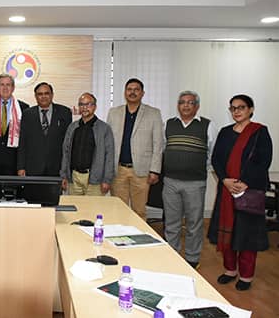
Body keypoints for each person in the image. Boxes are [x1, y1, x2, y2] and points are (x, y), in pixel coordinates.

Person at [208, 94, 272, 291]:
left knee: (246, 235)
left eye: (241, 107)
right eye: (233, 108)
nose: (236, 111)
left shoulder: (260, 132)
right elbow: (216, 159)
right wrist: (225, 180)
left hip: (249, 191)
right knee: (228, 231)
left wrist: (245, 183)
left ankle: (246, 275)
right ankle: (230, 270)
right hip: (227, 189)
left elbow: (264, 161)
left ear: (251, 109)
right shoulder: (226, 132)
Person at [162, 91, 216, 269]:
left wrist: (198, 168)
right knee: (171, 222)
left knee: (194, 223)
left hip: (195, 183)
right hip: (170, 181)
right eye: (182, 102)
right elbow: (163, 149)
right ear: (178, 105)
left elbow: (212, 153)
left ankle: (192, 258)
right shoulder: (169, 124)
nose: (185, 105)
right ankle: (172, 254)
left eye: (190, 102)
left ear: (197, 106)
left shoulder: (207, 125)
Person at [107, 78, 163, 219]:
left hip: (142, 171)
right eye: (129, 89)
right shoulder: (114, 113)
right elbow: (108, 143)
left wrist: (155, 170)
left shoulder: (153, 113)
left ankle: (139, 239)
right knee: (118, 210)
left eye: (136, 89)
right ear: (125, 93)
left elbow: (158, 143)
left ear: (142, 93)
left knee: (139, 211)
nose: (132, 92)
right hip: (118, 171)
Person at [60, 92, 115, 195]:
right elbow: (66, 153)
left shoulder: (104, 129)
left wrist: (107, 180)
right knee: (75, 209)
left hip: (94, 179)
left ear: (94, 107)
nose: (84, 108)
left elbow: (109, 156)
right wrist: (64, 176)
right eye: (81, 104)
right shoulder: (72, 127)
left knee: (93, 210)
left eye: (88, 104)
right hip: (74, 178)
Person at [17, 82, 72, 177]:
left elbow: (68, 143)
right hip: (33, 168)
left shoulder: (65, 112)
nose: (43, 97)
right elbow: (22, 142)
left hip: (57, 168)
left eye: (46, 93)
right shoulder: (27, 114)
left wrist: (66, 168)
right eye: (40, 94)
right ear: (35, 96)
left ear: (52, 95)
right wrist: (21, 167)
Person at [0, 74, 29, 175]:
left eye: (8, 84)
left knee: (13, 190)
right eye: (2, 84)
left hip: (14, 161)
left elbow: (26, 139)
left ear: (13, 87)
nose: (5, 88)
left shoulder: (24, 108)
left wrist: (23, 164)